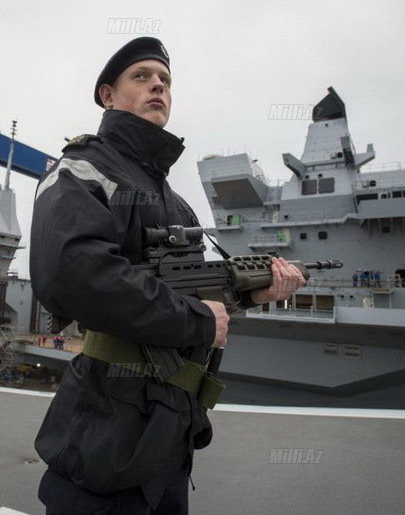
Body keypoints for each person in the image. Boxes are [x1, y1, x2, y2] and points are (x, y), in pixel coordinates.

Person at [30, 37, 305, 514]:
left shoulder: (174, 201)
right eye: (141, 76)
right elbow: (74, 272)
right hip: (104, 442)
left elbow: (192, 292)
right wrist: (199, 323)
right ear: (107, 95)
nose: (158, 84)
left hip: (170, 441)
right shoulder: (81, 168)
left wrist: (253, 293)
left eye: (165, 80)